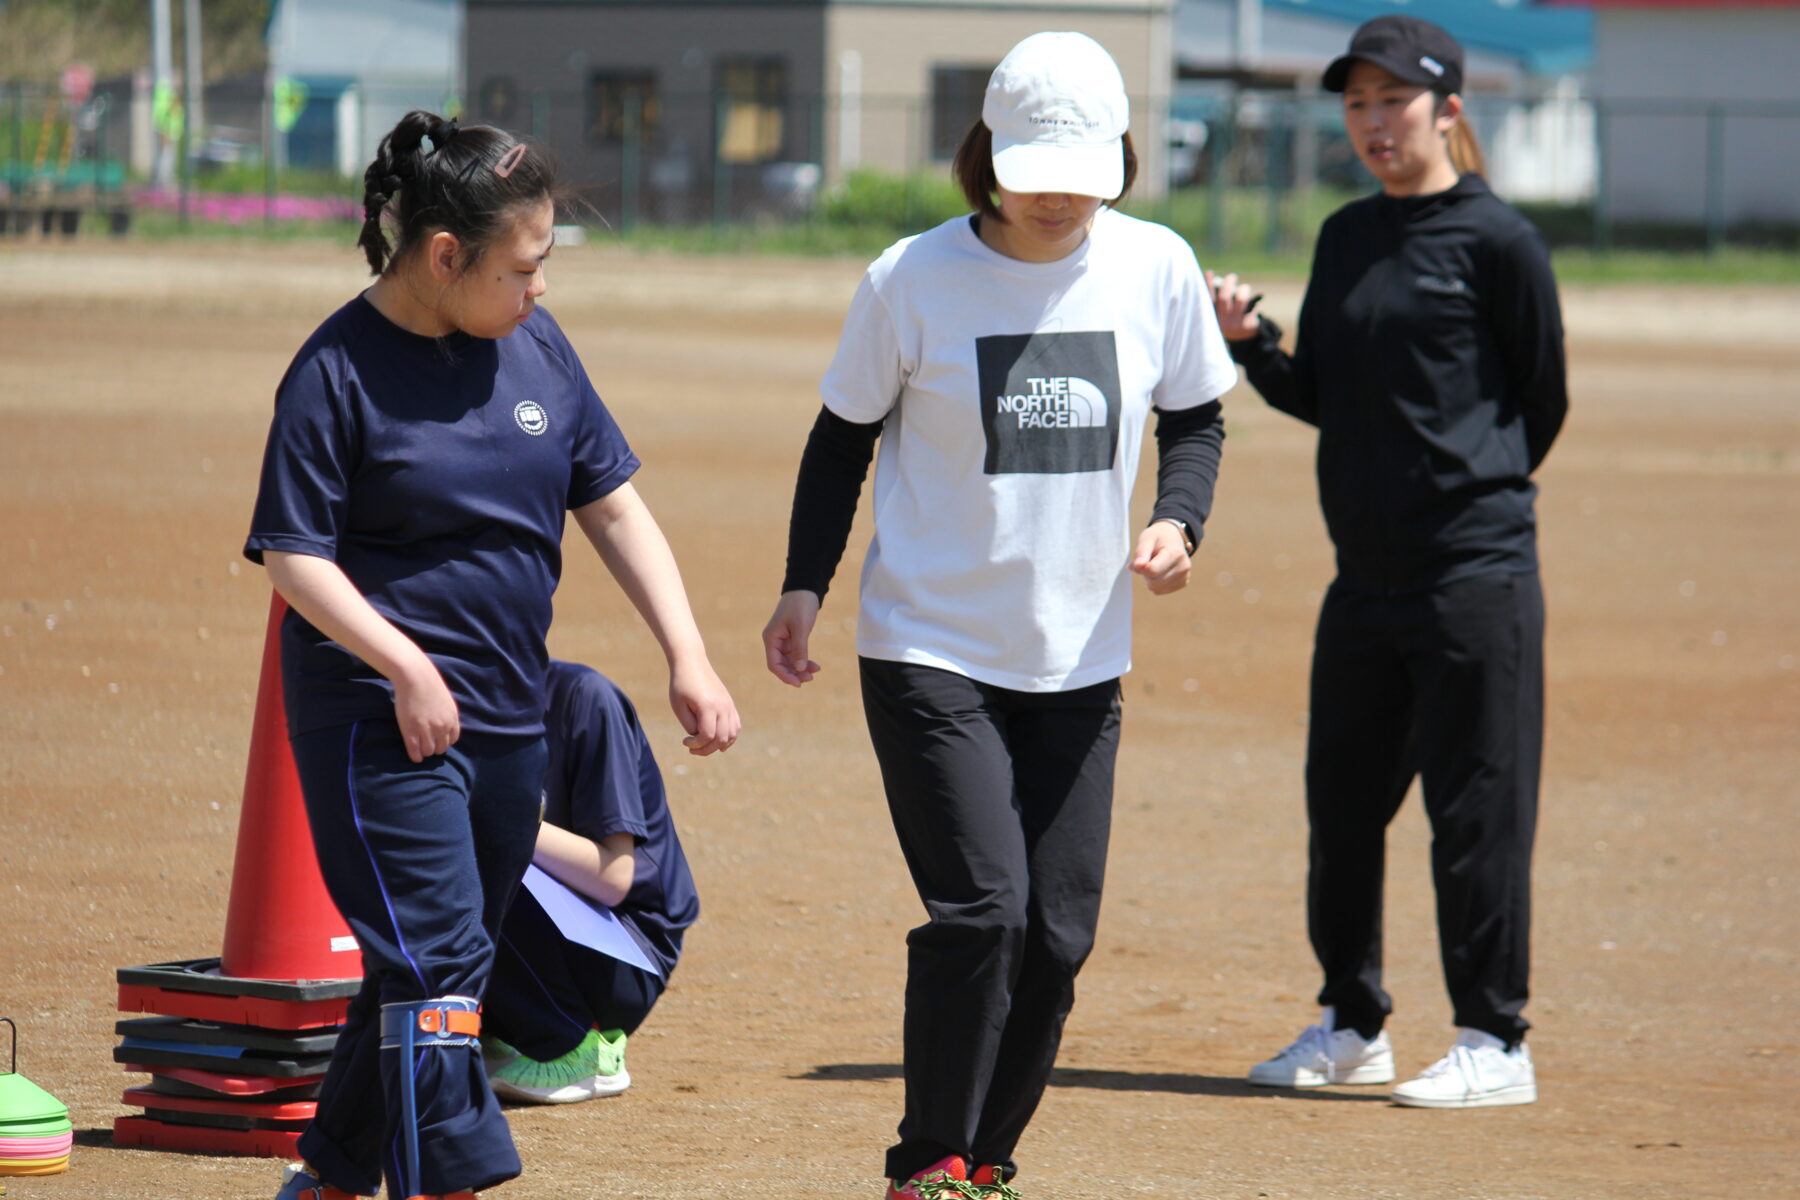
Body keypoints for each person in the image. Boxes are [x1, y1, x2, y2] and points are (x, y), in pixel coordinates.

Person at [762, 32, 1236, 1198]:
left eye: (1083, 171)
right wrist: (803, 584)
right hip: (930, 645)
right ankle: (926, 1164)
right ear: (988, 157)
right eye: (1035, 173)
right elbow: (841, 440)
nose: (1061, 196)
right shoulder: (909, 279)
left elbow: (1198, 419)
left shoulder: (1156, 267)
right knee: (986, 913)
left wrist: (1180, 521)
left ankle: (986, 1164)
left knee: (1058, 941)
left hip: (1079, 656)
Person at [246, 111, 738, 1200]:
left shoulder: (540, 349)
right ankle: (452, 1182)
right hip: (378, 721)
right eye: (525, 266)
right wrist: (404, 666)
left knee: (423, 964)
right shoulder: (335, 373)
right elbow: (293, 554)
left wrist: (686, 655)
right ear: (440, 257)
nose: (542, 288)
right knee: (436, 971)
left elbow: (611, 506)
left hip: (506, 722)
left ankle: (326, 1181)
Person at [1208, 15, 1567, 1109]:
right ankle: (1352, 1024)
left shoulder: (1498, 239)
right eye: (1356, 104)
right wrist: (1254, 348)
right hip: (1362, 582)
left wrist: (1464, 493)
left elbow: (1538, 400)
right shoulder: (1344, 235)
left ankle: (1495, 1041)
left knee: (1476, 816)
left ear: (1447, 111)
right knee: (1344, 808)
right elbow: (1330, 396)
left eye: (1392, 102)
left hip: (1475, 576)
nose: (1372, 122)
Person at [479, 660, 698, 1104]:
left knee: (480, 845)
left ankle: (572, 1044)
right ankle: (487, 1033)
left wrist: (494, 813)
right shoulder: (451, 695)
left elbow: (613, 877)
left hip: (624, 954)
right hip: (547, 935)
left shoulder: (584, 697)